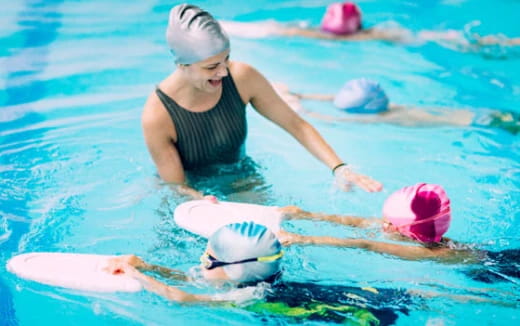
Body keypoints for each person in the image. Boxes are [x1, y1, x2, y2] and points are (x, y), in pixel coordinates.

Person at [142, 3, 382, 200]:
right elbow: (177, 187)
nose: (224, 72)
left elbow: (295, 124)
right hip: (191, 194)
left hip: (241, 176)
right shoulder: (157, 115)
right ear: (182, 65)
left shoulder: (242, 77)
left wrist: (339, 168)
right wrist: (202, 202)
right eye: (212, 66)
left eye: (227, 59)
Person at [107, 221, 508, 324]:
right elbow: (187, 279)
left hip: (363, 317)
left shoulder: (244, 295)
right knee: (426, 299)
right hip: (362, 294)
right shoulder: (260, 280)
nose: (200, 263)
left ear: (234, 270)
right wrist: (151, 266)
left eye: (208, 258)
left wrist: (134, 274)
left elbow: (180, 298)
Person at [279, 183, 520, 283]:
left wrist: (305, 239)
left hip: (497, 270)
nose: (382, 226)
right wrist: (306, 214)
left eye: (388, 223)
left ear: (406, 232)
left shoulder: (431, 253)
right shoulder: (412, 231)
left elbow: (367, 245)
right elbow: (360, 223)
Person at [219, 2, 520, 50]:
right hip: (409, 38)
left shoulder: (309, 32)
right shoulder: (382, 33)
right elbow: (435, 36)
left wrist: (222, 25)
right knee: (466, 43)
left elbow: (270, 29)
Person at [273, 78, 520, 134]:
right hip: (487, 115)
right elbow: (333, 97)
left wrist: (303, 111)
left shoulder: (387, 118)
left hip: (485, 122)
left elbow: (343, 120)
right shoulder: (391, 107)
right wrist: (302, 94)